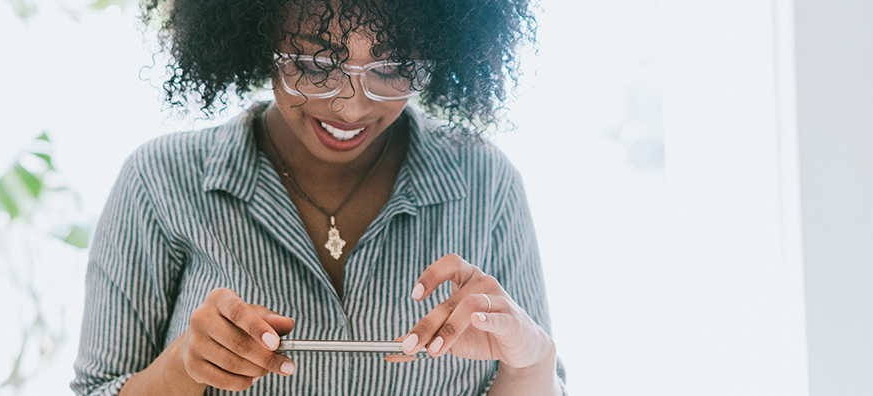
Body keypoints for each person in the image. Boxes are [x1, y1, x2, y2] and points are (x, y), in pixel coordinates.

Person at [71, 0, 564, 394]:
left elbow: (536, 378)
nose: (352, 106)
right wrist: (184, 365)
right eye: (314, 62)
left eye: (393, 68)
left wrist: (531, 365)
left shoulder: (485, 180)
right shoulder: (161, 180)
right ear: (258, 36)